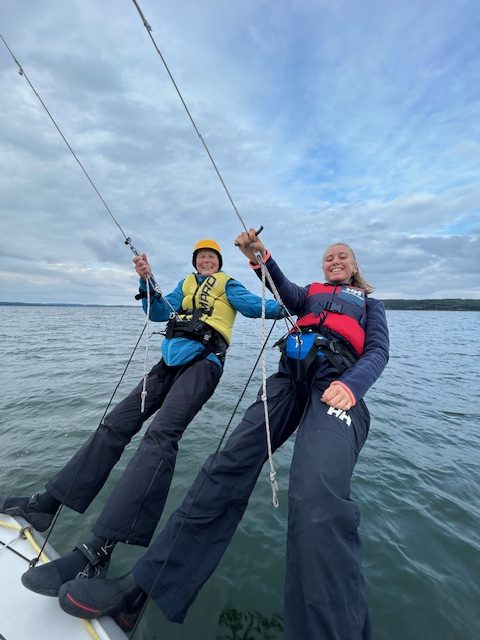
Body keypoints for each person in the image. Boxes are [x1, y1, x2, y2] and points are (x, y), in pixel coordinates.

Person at [56, 232, 389, 640]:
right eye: (329, 257)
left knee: (316, 490)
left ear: (354, 266)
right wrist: (261, 257)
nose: (335, 260)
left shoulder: (370, 305)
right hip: (288, 380)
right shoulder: (310, 294)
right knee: (224, 469)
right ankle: (140, 589)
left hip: (337, 385)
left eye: (342, 256)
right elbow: (283, 292)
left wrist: (353, 385)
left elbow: (378, 352)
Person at [0, 238, 283, 604]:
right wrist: (146, 280)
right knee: (115, 424)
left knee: (160, 436)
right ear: (195, 262)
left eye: (212, 257)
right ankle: (46, 504)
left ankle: (100, 549)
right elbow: (158, 312)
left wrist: (290, 302)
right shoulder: (184, 285)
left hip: (204, 364)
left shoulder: (229, 286)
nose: (206, 261)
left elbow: (261, 307)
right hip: (168, 363)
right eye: (201, 257)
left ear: (219, 262)